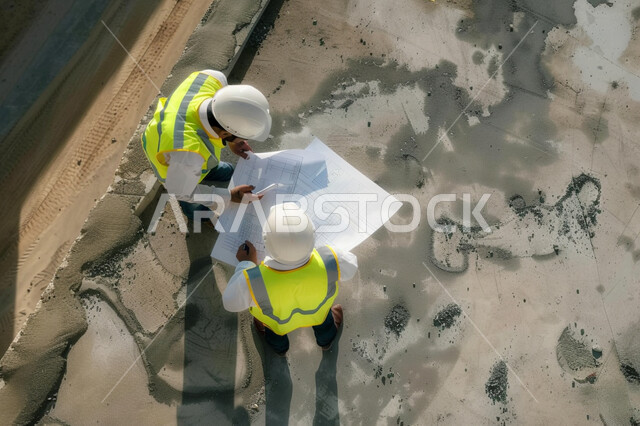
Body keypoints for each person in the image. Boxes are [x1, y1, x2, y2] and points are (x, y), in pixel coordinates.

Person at [223, 203, 358, 356]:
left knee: (274, 332)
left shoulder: (254, 281)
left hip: (278, 322)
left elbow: (230, 302)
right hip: (318, 311)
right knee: (324, 324)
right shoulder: (330, 260)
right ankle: (326, 342)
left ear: (266, 242)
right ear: (312, 235)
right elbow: (351, 265)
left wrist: (245, 264)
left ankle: (280, 350)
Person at [141, 69, 272, 220]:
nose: (243, 142)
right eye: (240, 138)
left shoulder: (212, 78)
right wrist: (230, 195)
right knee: (190, 198)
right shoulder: (190, 153)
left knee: (208, 165)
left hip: (164, 134)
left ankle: (208, 171)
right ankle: (198, 215)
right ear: (224, 134)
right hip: (171, 162)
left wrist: (234, 140)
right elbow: (181, 192)